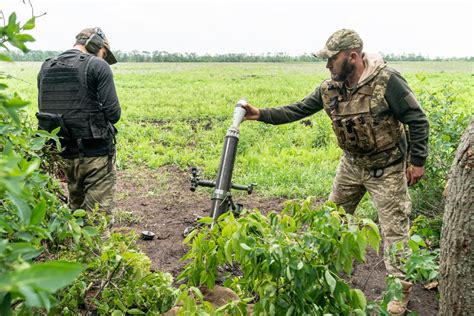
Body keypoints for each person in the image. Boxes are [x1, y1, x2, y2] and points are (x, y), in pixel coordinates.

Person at [243, 29, 429, 315]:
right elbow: (298, 109)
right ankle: (322, 272)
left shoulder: (387, 81)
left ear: (352, 56)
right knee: (332, 220)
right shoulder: (330, 87)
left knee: (395, 232)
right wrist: (261, 114)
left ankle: (399, 292)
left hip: (388, 170)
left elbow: (417, 119)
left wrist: (417, 161)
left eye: (332, 59)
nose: (327, 65)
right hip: (351, 166)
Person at [37, 27, 121, 216]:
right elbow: (114, 114)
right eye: (104, 54)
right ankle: (98, 246)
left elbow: (46, 115)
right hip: (96, 156)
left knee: (76, 214)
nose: (103, 58)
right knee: (97, 221)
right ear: (95, 45)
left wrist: (54, 156)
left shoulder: (47, 67)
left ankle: (76, 246)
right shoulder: (98, 66)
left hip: (64, 156)